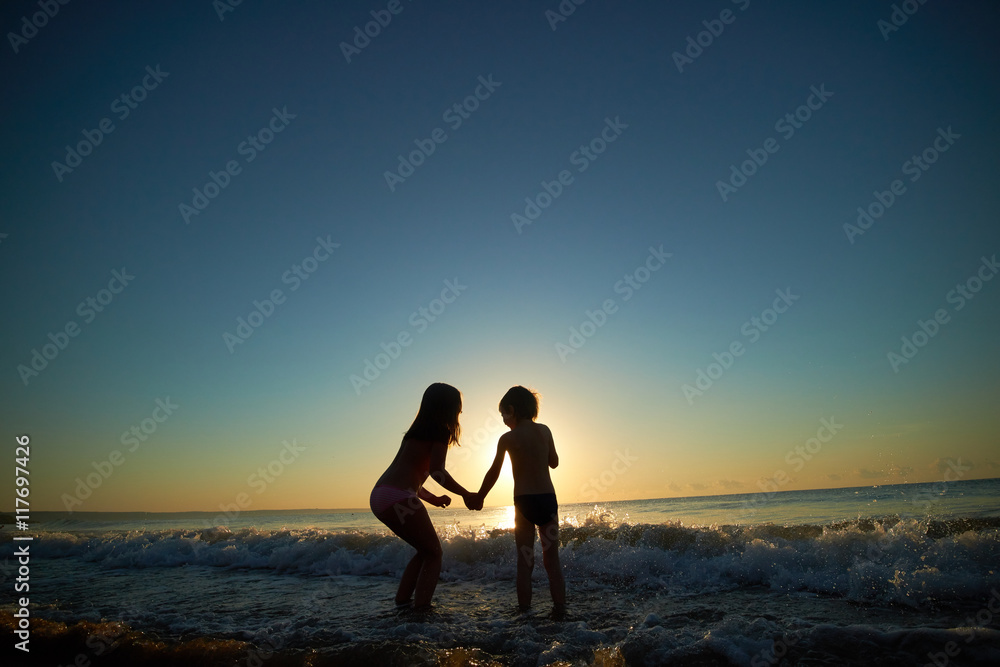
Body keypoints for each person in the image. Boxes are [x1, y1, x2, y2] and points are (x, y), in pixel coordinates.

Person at [370, 382, 478, 610]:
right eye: (458, 407)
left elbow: (412, 479)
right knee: (435, 553)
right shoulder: (441, 431)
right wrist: (465, 493)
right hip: (398, 497)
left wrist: (434, 499)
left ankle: (402, 601)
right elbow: (438, 472)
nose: (460, 412)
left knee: (425, 550)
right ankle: (422, 609)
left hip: (380, 495)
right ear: (448, 408)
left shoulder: (412, 435)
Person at [472, 386, 566, 618]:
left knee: (525, 562)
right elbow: (554, 462)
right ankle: (560, 610)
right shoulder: (545, 431)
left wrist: (480, 495)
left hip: (523, 503)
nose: (503, 420)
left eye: (504, 414)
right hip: (548, 501)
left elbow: (494, 472)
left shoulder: (507, 438)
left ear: (512, 410)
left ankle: (524, 613)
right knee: (552, 562)